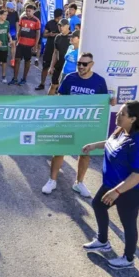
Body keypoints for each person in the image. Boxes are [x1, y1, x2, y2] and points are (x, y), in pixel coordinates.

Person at [81, 100, 139, 270]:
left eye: (122, 114)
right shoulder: (122, 130)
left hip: (131, 190)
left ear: (133, 119)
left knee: (128, 222)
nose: (118, 115)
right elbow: (111, 142)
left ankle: (128, 259)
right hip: (113, 184)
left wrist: (116, 192)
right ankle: (103, 241)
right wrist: (94, 145)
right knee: (98, 205)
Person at [42, 52, 112, 198]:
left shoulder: (99, 81)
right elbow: (61, 98)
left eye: (84, 64)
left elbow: (104, 102)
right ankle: (52, 180)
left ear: (91, 65)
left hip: (87, 126)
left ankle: (79, 183)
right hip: (68, 123)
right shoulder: (70, 78)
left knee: (85, 153)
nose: (80, 66)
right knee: (59, 152)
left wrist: (110, 100)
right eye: (79, 63)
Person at [10, 4, 40, 86]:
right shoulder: (22, 18)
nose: (27, 12)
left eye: (29, 11)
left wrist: (35, 45)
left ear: (33, 11)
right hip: (21, 43)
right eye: (26, 11)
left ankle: (24, 79)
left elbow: (38, 33)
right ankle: (15, 78)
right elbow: (19, 30)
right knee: (17, 60)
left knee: (27, 62)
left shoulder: (36, 20)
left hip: (30, 45)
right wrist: (17, 40)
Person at [37, 8, 62, 91]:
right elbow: (44, 34)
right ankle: (42, 83)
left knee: (56, 69)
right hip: (49, 48)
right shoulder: (49, 23)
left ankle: (54, 86)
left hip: (58, 50)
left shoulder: (63, 24)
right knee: (45, 67)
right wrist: (49, 34)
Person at [47, 19, 74, 95]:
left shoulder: (72, 37)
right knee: (53, 85)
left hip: (69, 67)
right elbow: (55, 52)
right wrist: (51, 67)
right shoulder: (58, 37)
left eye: (62, 26)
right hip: (59, 65)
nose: (60, 27)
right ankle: (47, 104)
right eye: (59, 25)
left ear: (68, 26)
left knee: (64, 89)